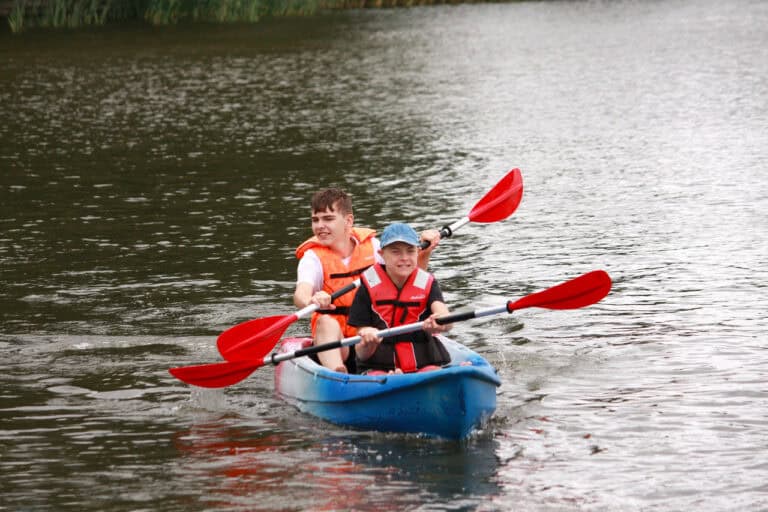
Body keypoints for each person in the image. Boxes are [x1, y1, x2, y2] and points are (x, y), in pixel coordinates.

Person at [293, 189, 440, 373]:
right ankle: (338, 374)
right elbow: (301, 294)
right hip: (339, 345)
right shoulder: (312, 258)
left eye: (328, 219)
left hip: (375, 337)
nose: (320, 225)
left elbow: (411, 283)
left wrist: (424, 254)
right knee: (325, 321)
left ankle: (401, 368)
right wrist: (311, 300)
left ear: (348, 221)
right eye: (316, 220)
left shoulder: (374, 247)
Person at [348, 222, 453, 375]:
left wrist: (440, 323)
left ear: (418, 252)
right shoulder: (367, 288)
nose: (404, 258)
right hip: (380, 366)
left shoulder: (427, 282)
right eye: (396, 252)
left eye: (410, 251)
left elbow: (446, 318)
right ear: (381, 254)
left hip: (423, 364)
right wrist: (368, 338)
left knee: (432, 372)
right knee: (377, 376)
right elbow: (361, 353)